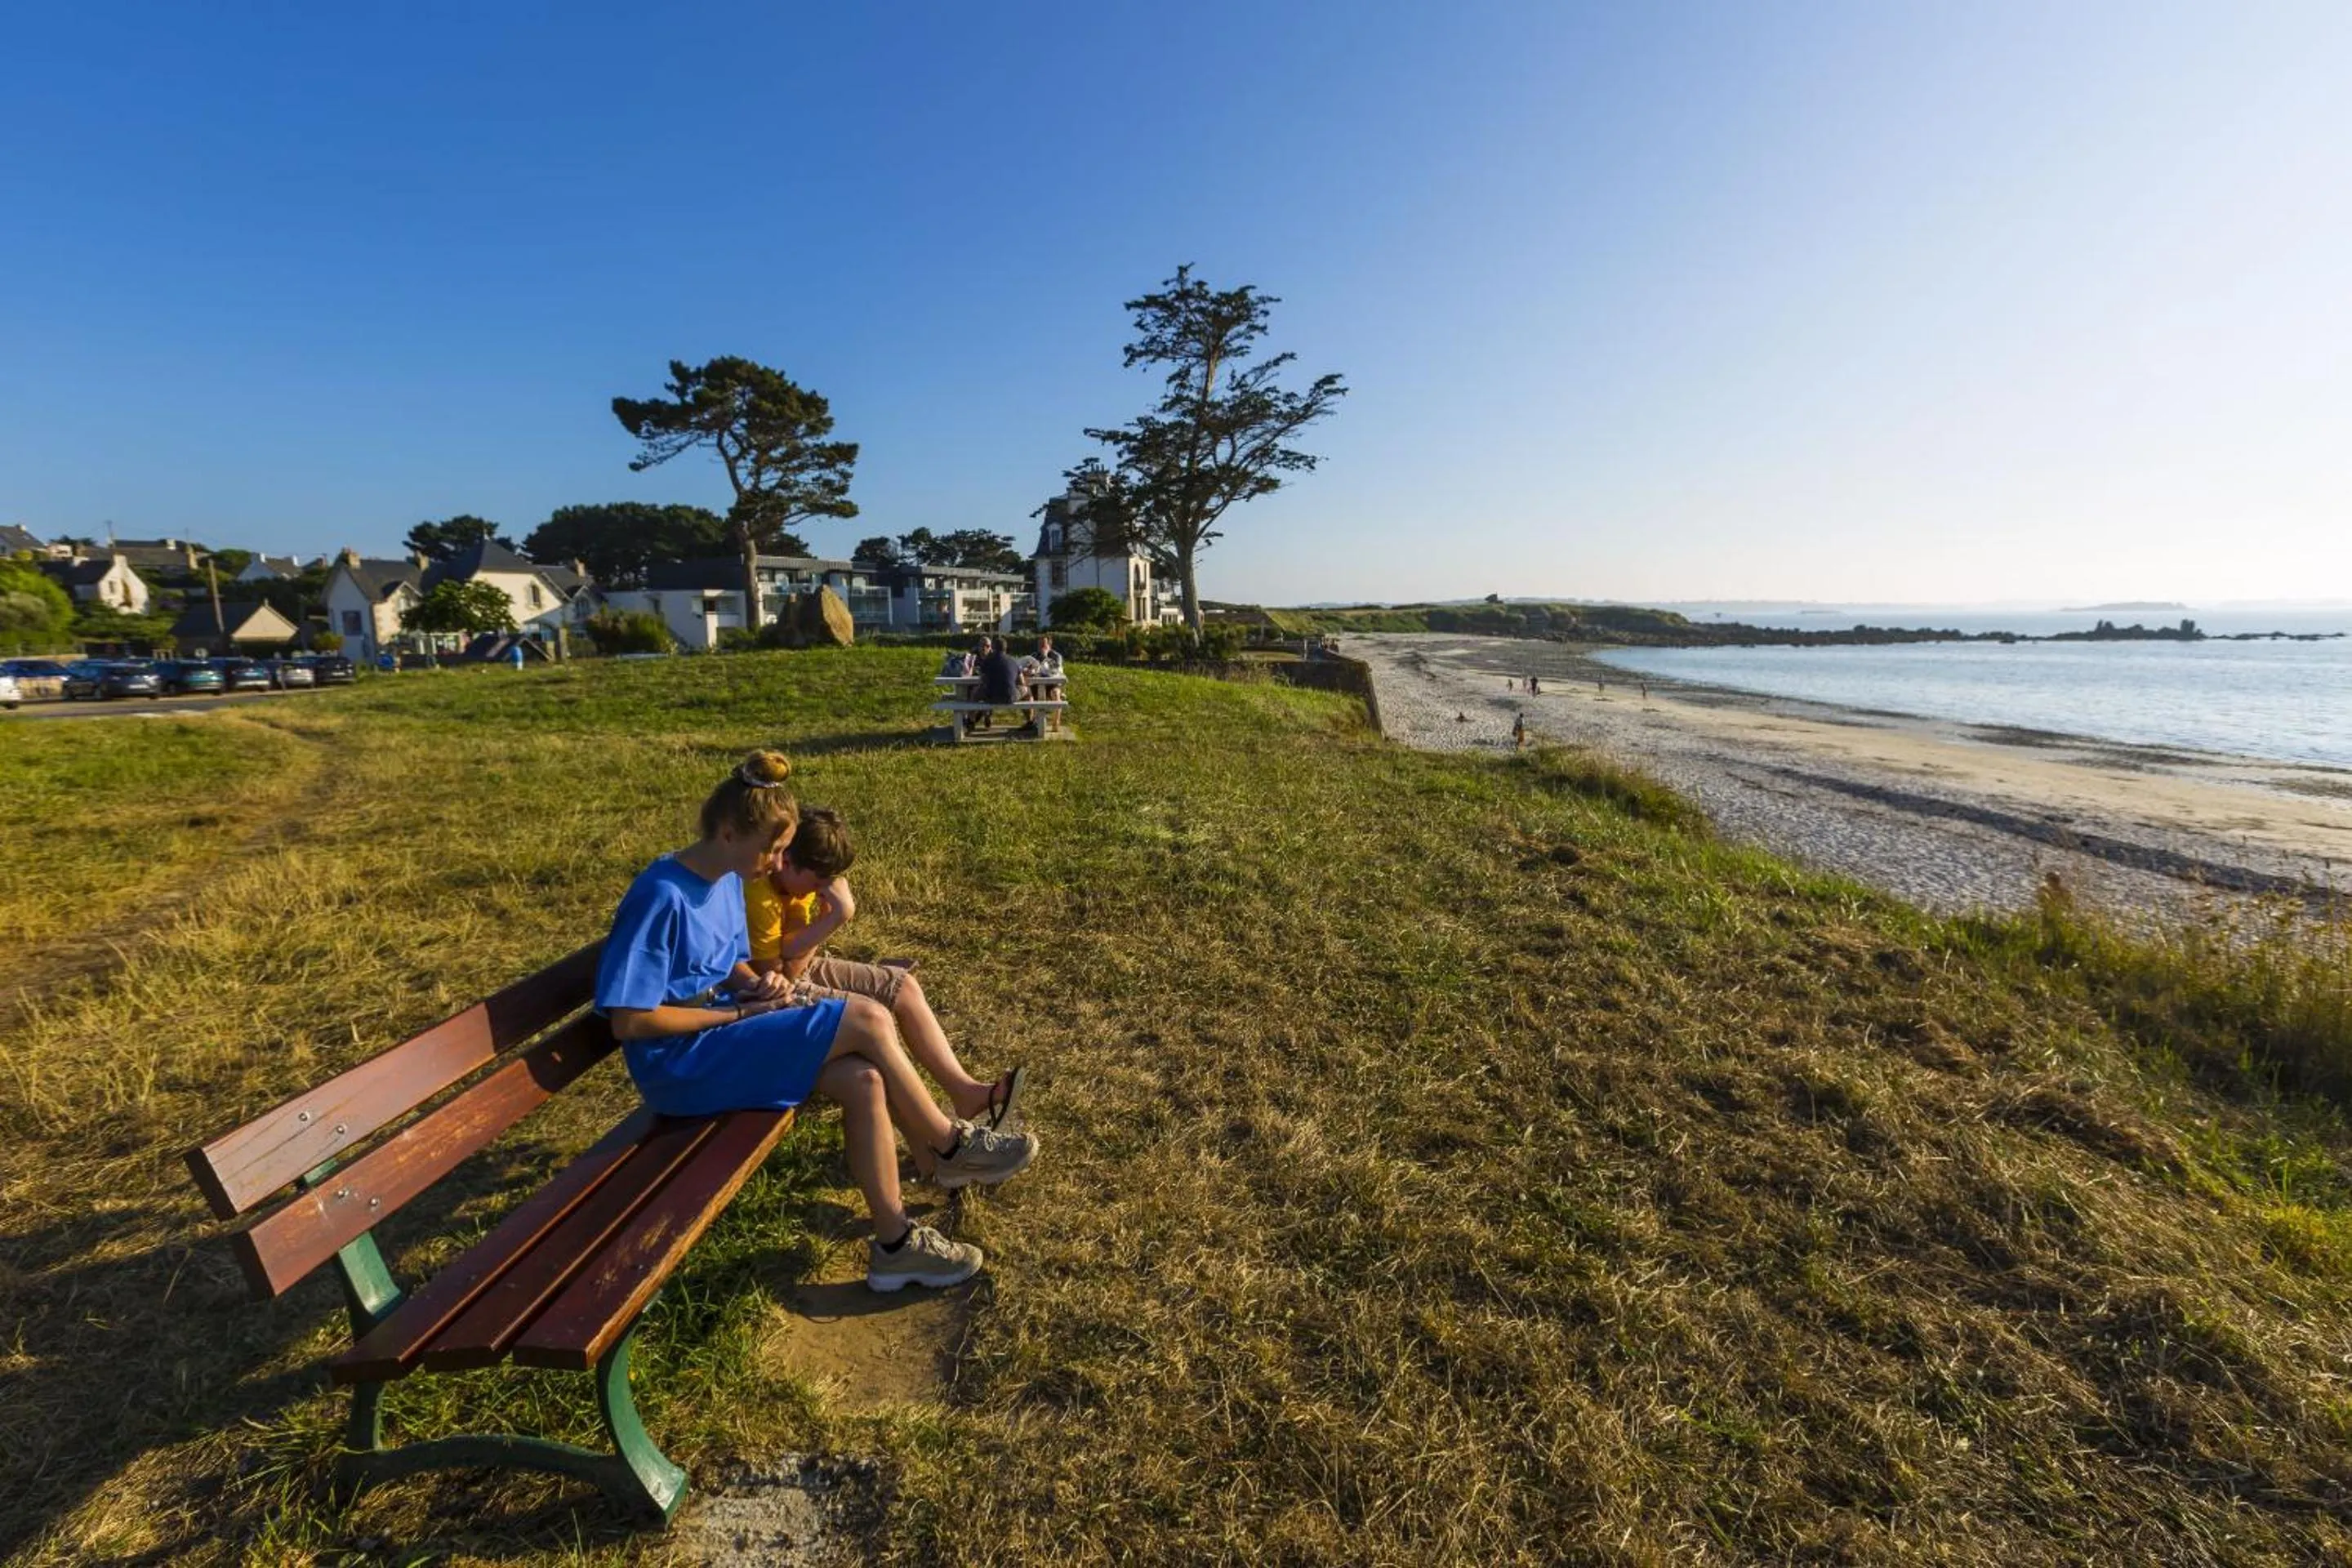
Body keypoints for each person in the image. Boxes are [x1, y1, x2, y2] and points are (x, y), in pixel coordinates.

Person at [595, 751, 1036, 1293]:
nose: (779, 862)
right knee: (869, 1020)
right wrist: (736, 1010)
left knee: (863, 1079)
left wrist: (758, 984)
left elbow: (725, 963)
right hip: (680, 1067)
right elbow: (630, 1021)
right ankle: (949, 1145)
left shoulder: (728, 879)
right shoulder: (660, 895)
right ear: (729, 833)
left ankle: (895, 1244)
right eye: (773, 848)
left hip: (724, 1032)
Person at [747, 805, 1026, 1177]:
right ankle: (942, 1152)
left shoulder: (798, 884)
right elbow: (785, 971)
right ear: (789, 863)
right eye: (816, 884)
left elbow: (797, 950)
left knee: (903, 987)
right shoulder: (761, 895)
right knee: (871, 1024)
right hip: (772, 994)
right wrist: (833, 918)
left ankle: (965, 1092)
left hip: (798, 965)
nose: (819, 891)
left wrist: (818, 922)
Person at [976, 637, 1028, 734]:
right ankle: (1031, 721)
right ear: (1006, 648)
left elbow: (982, 679)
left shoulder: (987, 661)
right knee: (1027, 691)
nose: (984, 648)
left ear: (993, 648)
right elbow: (1022, 682)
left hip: (991, 697)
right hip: (1010, 697)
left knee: (977, 693)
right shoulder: (1013, 661)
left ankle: (971, 720)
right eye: (982, 646)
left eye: (987, 646)